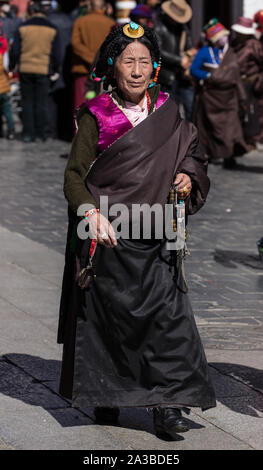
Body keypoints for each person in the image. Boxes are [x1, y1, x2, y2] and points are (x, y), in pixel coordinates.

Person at [57, 22, 216, 439]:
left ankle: (168, 406)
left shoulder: (168, 110)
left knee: (170, 320)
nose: (137, 68)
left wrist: (186, 174)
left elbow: (193, 153)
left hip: (161, 230)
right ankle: (110, 393)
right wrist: (90, 212)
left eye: (144, 60)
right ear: (113, 65)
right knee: (115, 323)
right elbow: (75, 177)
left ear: (155, 68)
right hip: (111, 233)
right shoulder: (96, 115)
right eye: (129, 60)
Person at [190, 18, 247, 168]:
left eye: (226, 36)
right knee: (213, 127)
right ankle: (216, 153)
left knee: (231, 126)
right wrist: (209, 76)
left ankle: (230, 155)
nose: (225, 38)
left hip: (229, 97)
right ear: (215, 39)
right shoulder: (204, 52)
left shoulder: (229, 52)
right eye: (222, 36)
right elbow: (194, 70)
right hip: (211, 97)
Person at [9, 1, 61, 142]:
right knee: (41, 102)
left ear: (31, 12)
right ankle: (41, 133)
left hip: (25, 68)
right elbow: (56, 53)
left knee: (27, 101)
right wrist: (55, 68)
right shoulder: (52, 28)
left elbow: (15, 51)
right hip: (43, 69)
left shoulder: (23, 27)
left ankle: (28, 133)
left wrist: (13, 65)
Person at [154, 0, 196, 120]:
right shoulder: (158, 27)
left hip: (182, 76)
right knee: (168, 112)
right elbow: (158, 51)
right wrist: (179, 60)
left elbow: (188, 45)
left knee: (190, 108)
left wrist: (190, 54)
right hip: (166, 76)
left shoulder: (183, 28)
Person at [71, 0, 115, 110]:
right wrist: (98, 62)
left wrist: (91, 59)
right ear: (104, 8)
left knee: (81, 107)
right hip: (104, 72)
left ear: (90, 7)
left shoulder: (80, 22)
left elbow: (75, 44)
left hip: (83, 70)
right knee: (103, 107)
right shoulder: (111, 24)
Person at [44, 0, 74, 140]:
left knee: (51, 99)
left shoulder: (49, 20)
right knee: (67, 99)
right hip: (69, 64)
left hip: (52, 63)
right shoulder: (72, 21)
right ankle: (66, 130)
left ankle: (51, 130)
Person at [232, 16, 263, 151]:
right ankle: (240, 140)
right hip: (236, 82)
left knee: (251, 111)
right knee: (238, 111)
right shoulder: (234, 43)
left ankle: (252, 139)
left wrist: (259, 80)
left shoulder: (254, 45)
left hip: (251, 82)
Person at [0, 19, 14, 138]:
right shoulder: (3, 43)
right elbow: (6, 66)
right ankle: (11, 131)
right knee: (7, 109)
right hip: (3, 85)